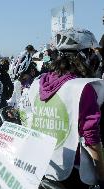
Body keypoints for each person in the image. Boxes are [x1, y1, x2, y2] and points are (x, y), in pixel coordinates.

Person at [29, 28, 104, 189]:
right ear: (85, 55)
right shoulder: (82, 88)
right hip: (73, 173)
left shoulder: (37, 84)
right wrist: (102, 175)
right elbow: (91, 139)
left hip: (43, 167)